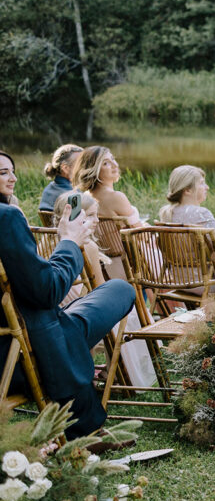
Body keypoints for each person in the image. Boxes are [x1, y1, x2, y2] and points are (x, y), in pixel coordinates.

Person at [0, 151, 136, 450]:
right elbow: (47, 291)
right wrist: (69, 241)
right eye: (2, 173)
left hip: (16, 342)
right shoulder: (5, 218)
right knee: (120, 291)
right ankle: (85, 432)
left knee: (79, 313)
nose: (12, 178)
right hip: (26, 352)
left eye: (11, 171)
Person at [72, 146, 157, 387]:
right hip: (124, 263)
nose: (114, 165)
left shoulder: (80, 199)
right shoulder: (116, 197)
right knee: (158, 251)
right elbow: (137, 230)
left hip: (99, 266)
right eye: (107, 163)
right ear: (96, 170)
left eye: (113, 160)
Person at [159, 165, 215, 292]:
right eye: (202, 183)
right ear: (187, 190)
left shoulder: (167, 214)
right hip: (204, 282)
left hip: (179, 281)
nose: (207, 187)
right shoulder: (200, 214)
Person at [39, 144, 83, 212]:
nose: (85, 167)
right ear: (65, 168)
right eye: (81, 163)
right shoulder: (73, 196)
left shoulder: (49, 189)